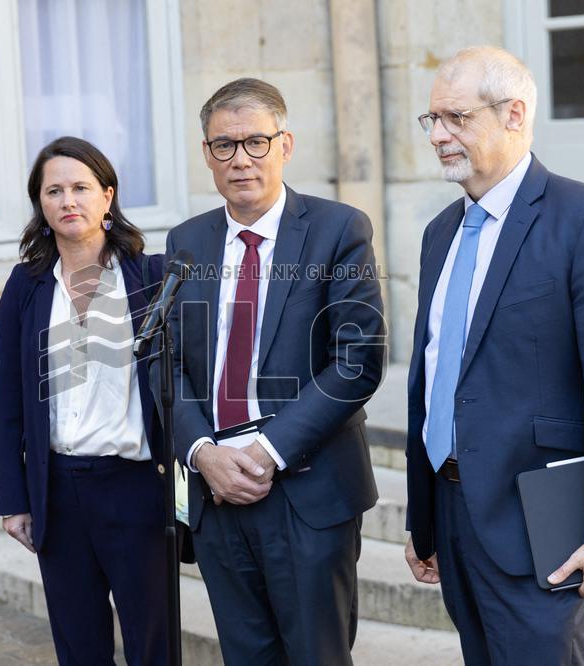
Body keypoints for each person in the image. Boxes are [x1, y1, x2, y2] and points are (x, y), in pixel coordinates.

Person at [403, 46, 584, 665]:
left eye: (457, 117)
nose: (437, 136)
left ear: (514, 114)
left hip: (540, 522)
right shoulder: (440, 233)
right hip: (453, 512)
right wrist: (424, 517)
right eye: (432, 119)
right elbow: (434, 376)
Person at [161, 78, 384, 665]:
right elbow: (168, 363)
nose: (241, 159)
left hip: (305, 490)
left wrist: (265, 452)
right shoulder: (187, 240)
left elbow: (357, 362)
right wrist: (201, 452)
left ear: (285, 144)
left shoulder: (339, 230)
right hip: (215, 492)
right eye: (224, 145)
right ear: (207, 154)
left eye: (256, 142)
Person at [0, 136, 168, 666]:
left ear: (107, 196)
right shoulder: (26, 285)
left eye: (81, 188)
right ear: (41, 205)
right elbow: (8, 401)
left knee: (153, 646)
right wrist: (13, 499)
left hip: (136, 487)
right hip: (58, 490)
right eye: (54, 191)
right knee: (78, 647)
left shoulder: (151, 277)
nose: (68, 200)